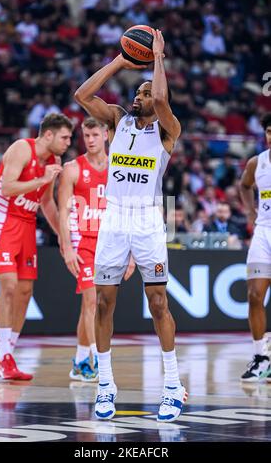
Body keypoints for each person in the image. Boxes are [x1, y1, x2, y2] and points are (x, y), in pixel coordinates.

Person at [74, 29, 187, 422]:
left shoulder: (167, 130)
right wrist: (121, 61)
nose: (138, 98)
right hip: (114, 218)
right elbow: (82, 97)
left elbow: (160, 98)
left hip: (147, 221)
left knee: (158, 303)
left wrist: (156, 58)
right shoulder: (118, 121)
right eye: (136, 94)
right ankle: (106, 385)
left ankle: (172, 385)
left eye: (142, 94)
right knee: (103, 303)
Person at [0, 113, 73, 380]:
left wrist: (62, 237)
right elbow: (8, 188)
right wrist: (41, 179)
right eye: (65, 137)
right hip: (4, 217)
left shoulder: (55, 161)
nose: (69, 142)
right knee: (9, 285)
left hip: (27, 223)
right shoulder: (22, 148)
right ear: (48, 135)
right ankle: (5, 356)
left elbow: (46, 202)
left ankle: (3, 358)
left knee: (25, 291)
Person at [58, 116, 135, 382]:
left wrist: (132, 253)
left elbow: (130, 209)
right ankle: (101, 364)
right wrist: (66, 246)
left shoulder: (119, 165)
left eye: (94, 135)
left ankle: (80, 361)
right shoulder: (72, 169)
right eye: (85, 136)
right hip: (85, 242)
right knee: (93, 300)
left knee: (89, 305)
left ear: (105, 135)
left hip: (111, 241)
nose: (90, 140)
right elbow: (63, 212)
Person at [239, 112, 271, 382]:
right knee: (254, 296)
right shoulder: (256, 163)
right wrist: (250, 213)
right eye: (269, 131)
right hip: (263, 232)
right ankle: (261, 357)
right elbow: (244, 186)